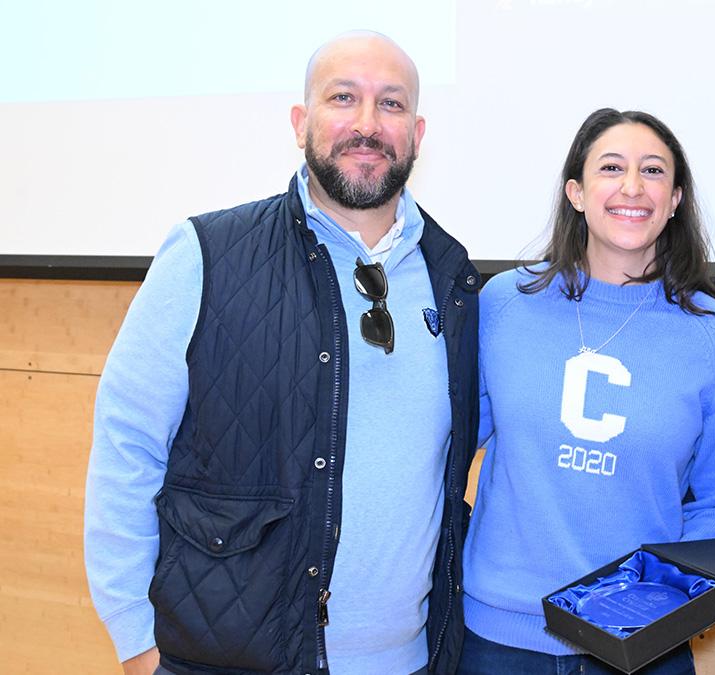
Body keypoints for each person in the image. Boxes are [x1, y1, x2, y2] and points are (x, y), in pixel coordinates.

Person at [83, 31, 478, 675]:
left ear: (417, 131)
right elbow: (128, 446)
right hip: (227, 660)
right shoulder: (207, 253)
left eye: (391, 104)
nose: (367, 124)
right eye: (342, 97)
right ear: (301, 123)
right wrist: (136, 643)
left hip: (408, 661)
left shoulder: (451, 277)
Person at [456, 109, 715, 675]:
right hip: (498, 640)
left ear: (675, 200)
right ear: (576, 192)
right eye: (611, 167)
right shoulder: (503, 305)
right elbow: (444, 453)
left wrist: (656, 602)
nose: (632, 187)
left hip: (644, 650)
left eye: (653, 171)